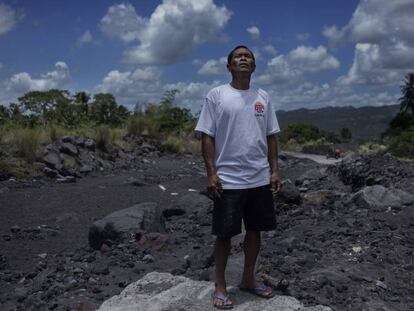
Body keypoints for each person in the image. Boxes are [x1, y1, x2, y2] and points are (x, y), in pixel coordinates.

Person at [195, 45, 282, 309]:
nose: (243, 59)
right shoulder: (217, 95)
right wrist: (211, 173)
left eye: (248, 57)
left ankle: (248, 279)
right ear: (229, 66)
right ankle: (220, 286)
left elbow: (271, 136)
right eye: (238, 57)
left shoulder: (263, 97)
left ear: (253, 67)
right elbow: (207, 135)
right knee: (224, 234)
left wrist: (274, 170)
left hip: (259, 177)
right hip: (229, 178)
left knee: (255, 231)